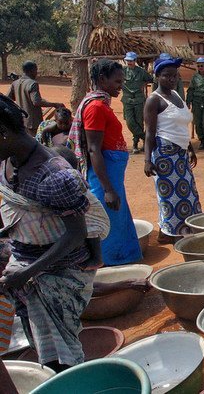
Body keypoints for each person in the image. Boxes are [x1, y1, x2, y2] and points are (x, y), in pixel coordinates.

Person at [0, 95, 108, 372]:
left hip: (59, 271)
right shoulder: (9, 162)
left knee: (63, 354)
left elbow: (75, 235)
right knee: (40, 341)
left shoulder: (55, 177)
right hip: (25, 265)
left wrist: (27, 272)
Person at [69, 58, 143, 266]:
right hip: (105, 176)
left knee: (118, 217)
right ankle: (109, 263)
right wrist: (108, 189)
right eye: (118, 82)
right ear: (102, 79)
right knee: (107, 220)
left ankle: (123, 260)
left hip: (112, 174)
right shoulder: (95, 108)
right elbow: (93, 149)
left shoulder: (102, 104)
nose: (121, 86)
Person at [144, 57, 202, 243]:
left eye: (174, 75)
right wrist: (147, 160)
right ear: (157, 77)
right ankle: (176, 235)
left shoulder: (177, 96)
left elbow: (182, 127)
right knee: (171, 197)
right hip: (165, 155)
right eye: (166, 76)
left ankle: (168, 232)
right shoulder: (154, 100)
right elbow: (150, 133)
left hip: (181, 154)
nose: (171, 79)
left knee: (188, 193)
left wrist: (190, 149)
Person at [7, 61, 65, 135]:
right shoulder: (33, 83)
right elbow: (36, 102)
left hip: (21, 120)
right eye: (36, 70)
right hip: (33, 122)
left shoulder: (15, 83)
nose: (36, 73)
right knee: (35, 143)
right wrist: (54, 104)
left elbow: (8, 99)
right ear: (31, 70)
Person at [120, 52, 153, 154]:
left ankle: (135, 144)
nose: (129, 62)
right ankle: (145, 137)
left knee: (139, 121)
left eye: (131, 61)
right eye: (128, 60)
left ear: (135, 61)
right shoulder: (122, 71)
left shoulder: (141, 72)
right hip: (127, 100)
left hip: (139, 100)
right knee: (130, 122)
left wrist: (143, 84)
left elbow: (150, 79)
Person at [186, 57, 204, 150]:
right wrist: (188, 101)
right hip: (197, 102)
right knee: (197, 123)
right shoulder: (195, 77)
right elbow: (190, 90)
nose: (200, 67)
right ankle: (202, 141)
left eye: (202, 65)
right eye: (198, 66)